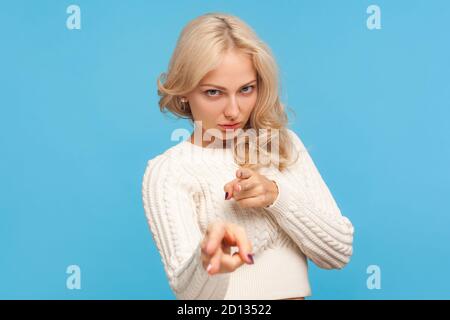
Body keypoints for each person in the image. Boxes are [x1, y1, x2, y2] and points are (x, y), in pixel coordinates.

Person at [142, 12, 354, 300]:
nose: (233, 110)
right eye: (214, 92)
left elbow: (338, 252)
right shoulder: (170, 171)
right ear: (184, 92)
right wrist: (209, 260)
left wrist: (276, 196)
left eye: (246, 89)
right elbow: (190, 296)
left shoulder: (283, 146)